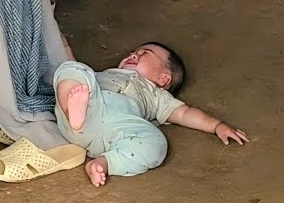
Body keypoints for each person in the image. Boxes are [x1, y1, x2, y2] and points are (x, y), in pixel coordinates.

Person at [52, 42, 249, 186]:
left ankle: (105, 162)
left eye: (144, 53)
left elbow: (184, 113)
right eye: (133, 52)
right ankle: (73, 111)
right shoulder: (107, 74)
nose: (133, 54)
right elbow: (68, 57)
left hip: (113, 130)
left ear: (164, 78)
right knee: (74, 69)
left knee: (157, 144)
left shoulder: (157, 96)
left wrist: (216, 126)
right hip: (87, 107)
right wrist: (61, 39)